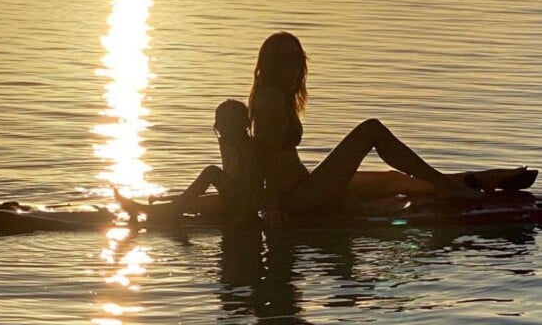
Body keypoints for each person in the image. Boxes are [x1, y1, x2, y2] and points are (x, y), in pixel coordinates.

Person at [249, 31, 535, 223]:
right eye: (286, 59)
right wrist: (270, 211)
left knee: (391, 179)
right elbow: (263, 157)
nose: (294, 65)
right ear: (271, 63)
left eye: (297, 57)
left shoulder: (279, 96)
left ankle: (478, 179)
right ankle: (451, 185)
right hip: (296, 199)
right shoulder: (271, 99)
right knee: (370, 129)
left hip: (305, 186)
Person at [115, 99, 261, 224]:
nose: (219, 127)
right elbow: (229, 187)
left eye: (224, 122)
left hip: (243, 205)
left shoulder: (247, 147)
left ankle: (163, 209)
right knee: (188, 201)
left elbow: (242, 186)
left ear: (238, 124)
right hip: (233, 199)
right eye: (219, 122)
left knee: (211, 171)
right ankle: (146, 208)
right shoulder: (228, 143)